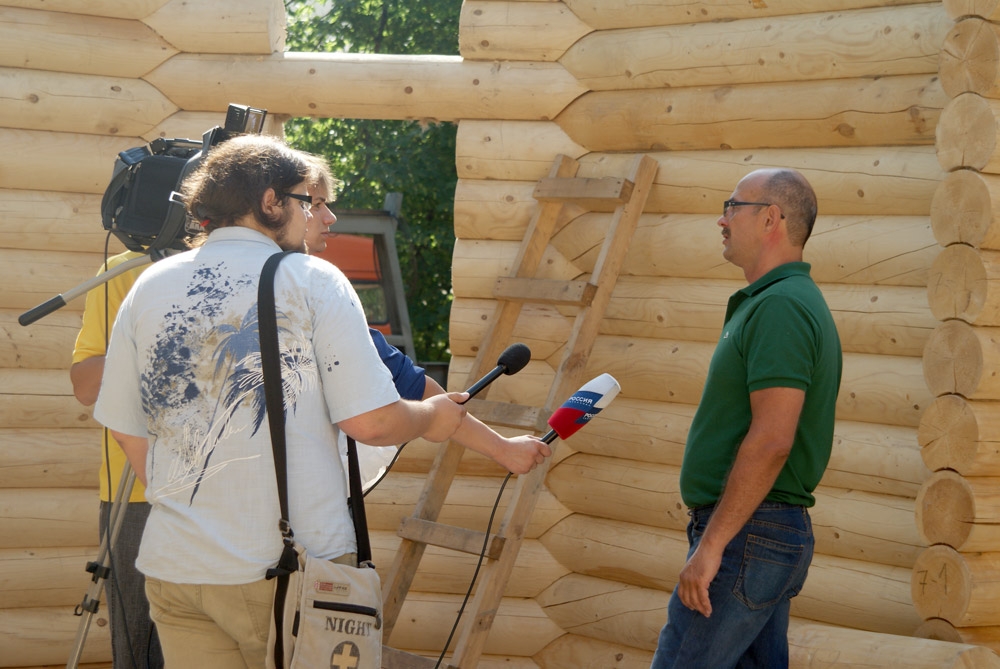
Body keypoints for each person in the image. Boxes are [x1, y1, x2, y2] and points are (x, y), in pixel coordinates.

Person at [91, 135, 483, 668]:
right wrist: (431, 417)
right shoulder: (312, 279)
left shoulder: (150, 284)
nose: (321, 215)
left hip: (177, 565)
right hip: (288, 568)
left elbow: (127, 426)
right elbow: (370, 421)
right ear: (271, 202)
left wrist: (184, 500)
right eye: (308, 199)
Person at [650, 169, 843, 669]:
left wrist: (713, 544)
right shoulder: (773, 301)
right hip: (758, 532)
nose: (722, 218)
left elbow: (774, 438)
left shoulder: (781, 306)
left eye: (732, 206)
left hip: (749, 533)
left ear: (771, 218)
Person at [301, 156, 550, 484]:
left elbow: (411, 383)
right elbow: (397, 407)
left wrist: (502, 448)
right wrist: (491, 444)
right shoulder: (317, 292)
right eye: (316, 204)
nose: (330, 217)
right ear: (274, 207)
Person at [71, 250, 164, 669]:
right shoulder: (123, 269)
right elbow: (86, 384)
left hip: (233, 492)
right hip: (138, 496)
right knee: (140, 647)